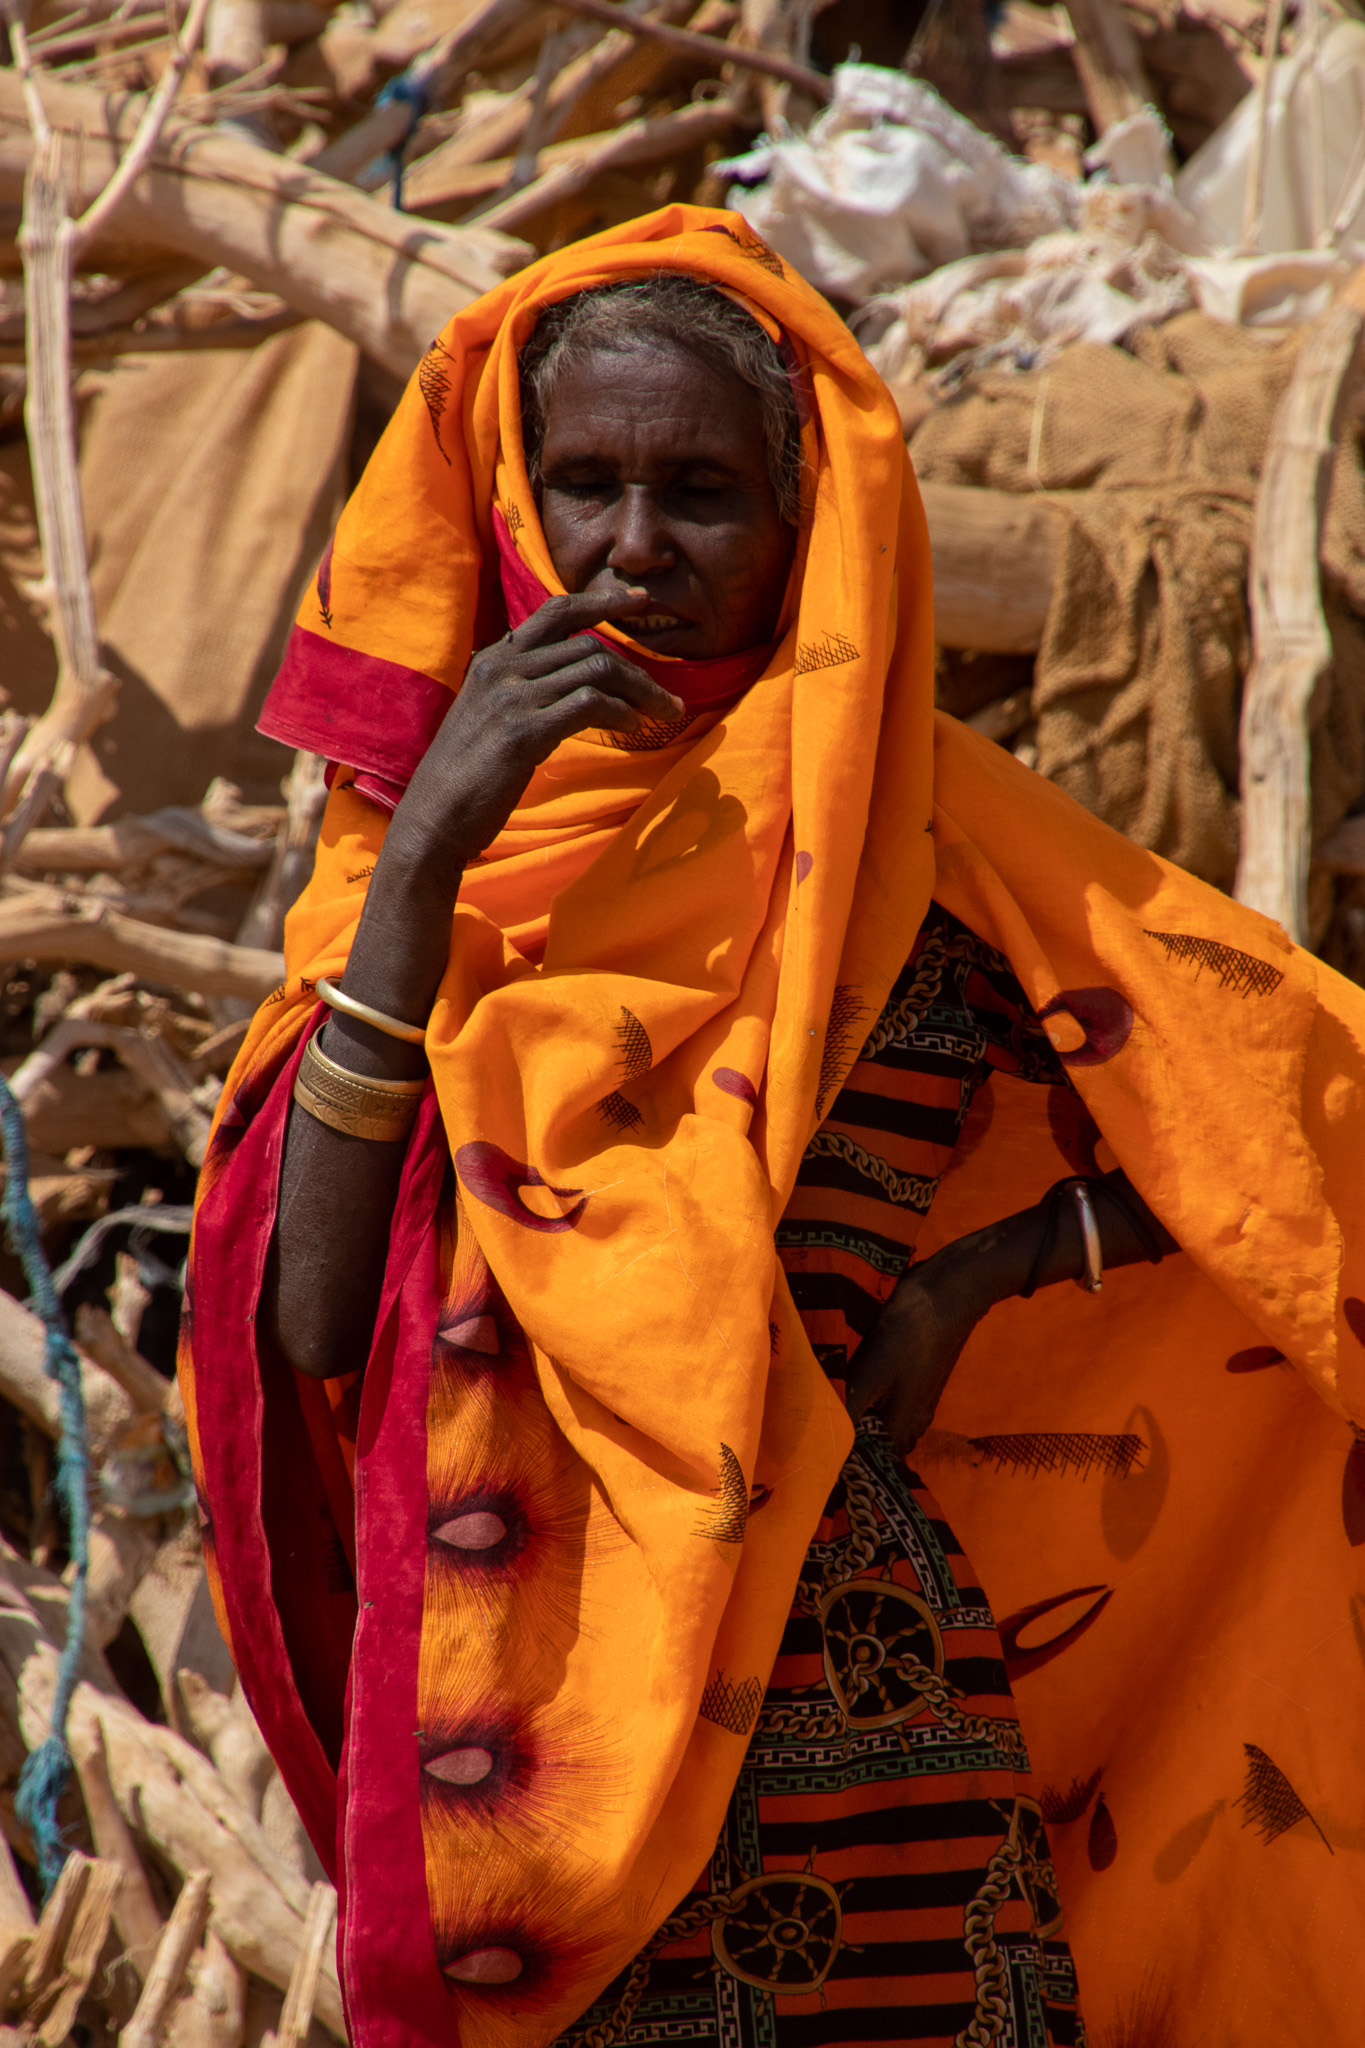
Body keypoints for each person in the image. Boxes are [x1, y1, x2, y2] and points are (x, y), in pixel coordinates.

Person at [183, 208, 1365, 2048]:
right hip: (537, 1719)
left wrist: (971, 1282)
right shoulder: (419, 872)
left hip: (864, 1707)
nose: (633, 551)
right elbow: (314, 1329)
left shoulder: (924, 842)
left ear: (804, 516)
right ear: (513, 495)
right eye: (584, 484)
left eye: (700, 494)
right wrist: (425, 856)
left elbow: (1280, 1125)